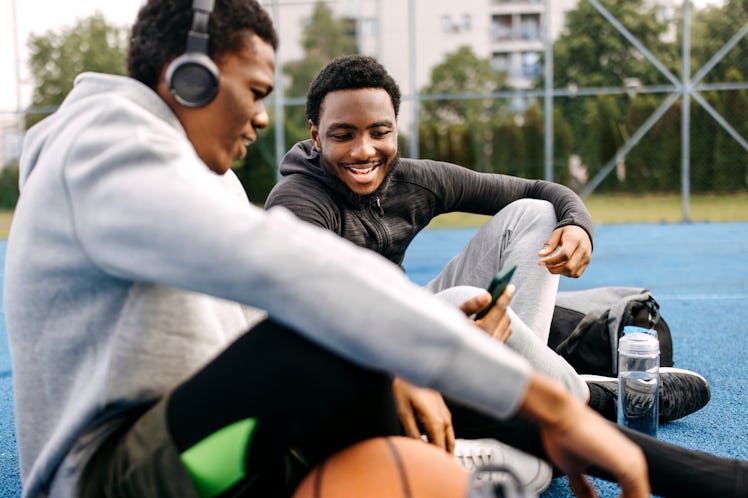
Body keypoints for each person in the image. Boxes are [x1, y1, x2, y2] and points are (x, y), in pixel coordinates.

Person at [3, 1, 659, 497]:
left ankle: (511, 433)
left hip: (212, 441)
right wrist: (531, 398)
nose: (262, 118)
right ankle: (561, 408)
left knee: (389, 378)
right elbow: (287, 269)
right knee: (327, 341)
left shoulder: (200, 178)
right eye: (256, 92)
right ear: (192, 79)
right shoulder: (102, 149)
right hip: (118, 478)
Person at [265, 54, 748, 496]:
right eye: (343, 134)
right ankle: (589, 399)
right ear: (315, 134)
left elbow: (540, 190)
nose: (363, 149)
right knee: (468, 323)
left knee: (533, 216)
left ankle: (530, 395)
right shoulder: (298, 203)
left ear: (395, 129)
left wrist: (578, 225)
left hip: (418, 332)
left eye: (379, 131)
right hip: (359, 357)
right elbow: (315, 307)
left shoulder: (414, 179)